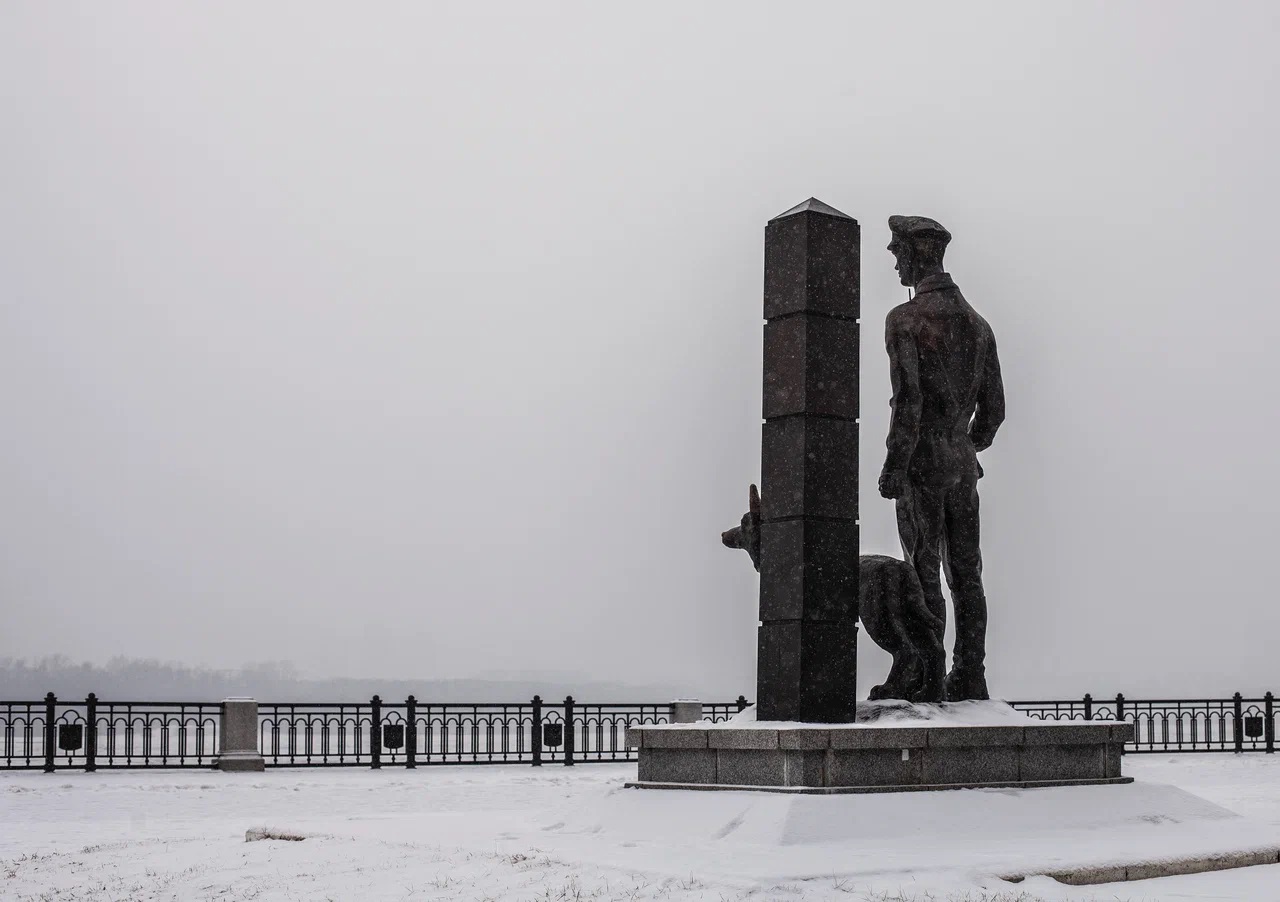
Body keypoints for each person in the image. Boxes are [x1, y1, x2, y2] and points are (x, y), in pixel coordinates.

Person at [878, 215, 1005, 702]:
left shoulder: (905, 320)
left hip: (922, 463)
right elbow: (993, 410)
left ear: (916, 254)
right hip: (961, 466)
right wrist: (965, 442)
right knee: (967, 574)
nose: (893, 261)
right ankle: (970, 673)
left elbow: (908, 400)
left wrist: (896, 462)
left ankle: (928, 678)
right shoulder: (978, 325)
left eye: (896, 252)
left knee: (922, 570)